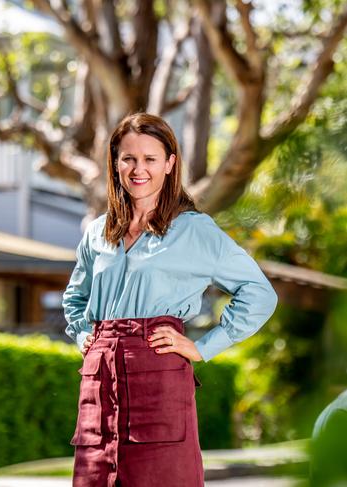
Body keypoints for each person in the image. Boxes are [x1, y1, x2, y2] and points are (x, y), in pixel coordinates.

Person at [62, 112, 279, 487]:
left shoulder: (195, 231)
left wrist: (203, 346)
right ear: (115, 163)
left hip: (159, 376)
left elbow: (259, 293)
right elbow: (75, 298)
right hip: (99, 379)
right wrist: (86, 338)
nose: (138, 169)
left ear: (169, 164)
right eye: (128, 158)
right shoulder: (98, 232)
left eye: (150, 159)